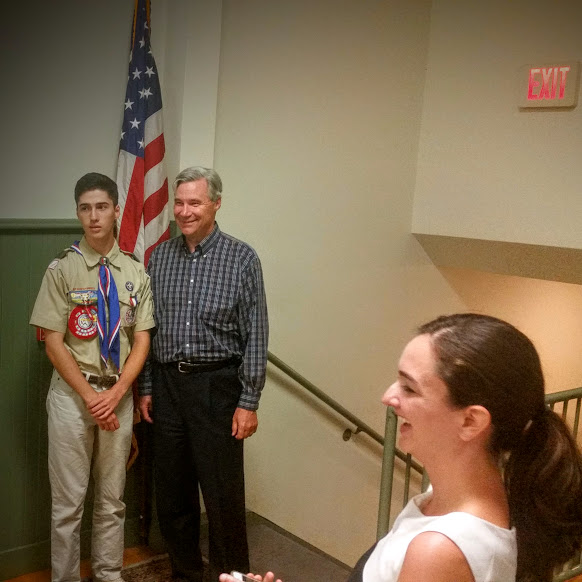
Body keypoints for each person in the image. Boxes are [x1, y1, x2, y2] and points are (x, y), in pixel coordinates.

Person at [220, 313, 582, 582]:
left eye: (409, 388)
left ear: (471, 421)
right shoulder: (445, 497)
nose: (388, 396)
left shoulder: (440, 551)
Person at [138, 166, 269, 582]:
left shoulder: (242, 258)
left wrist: (248, 401)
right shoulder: (159, 258)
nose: (184, 211)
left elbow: (256, 334)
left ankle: (232, 577)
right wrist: (146, 386)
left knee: (222, 495)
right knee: (173, 493)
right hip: (166, 386)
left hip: (218, 386)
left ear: (215, 203)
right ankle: (186, 573)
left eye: (194, 202)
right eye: (179, 202)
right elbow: (147, 328)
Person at [29, 172, 155, 582]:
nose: (94, 216)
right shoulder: (62, 270)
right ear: (78, 213)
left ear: (117, 211)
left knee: (111, 500)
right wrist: (89, 397)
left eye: (102, 207)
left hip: (115, 396)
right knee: (68, 505)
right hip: (72, 397)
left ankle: (108, 574)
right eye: (85, 208)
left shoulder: (136, 273)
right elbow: (52, 340)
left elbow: (141, 341)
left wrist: (117, 392)